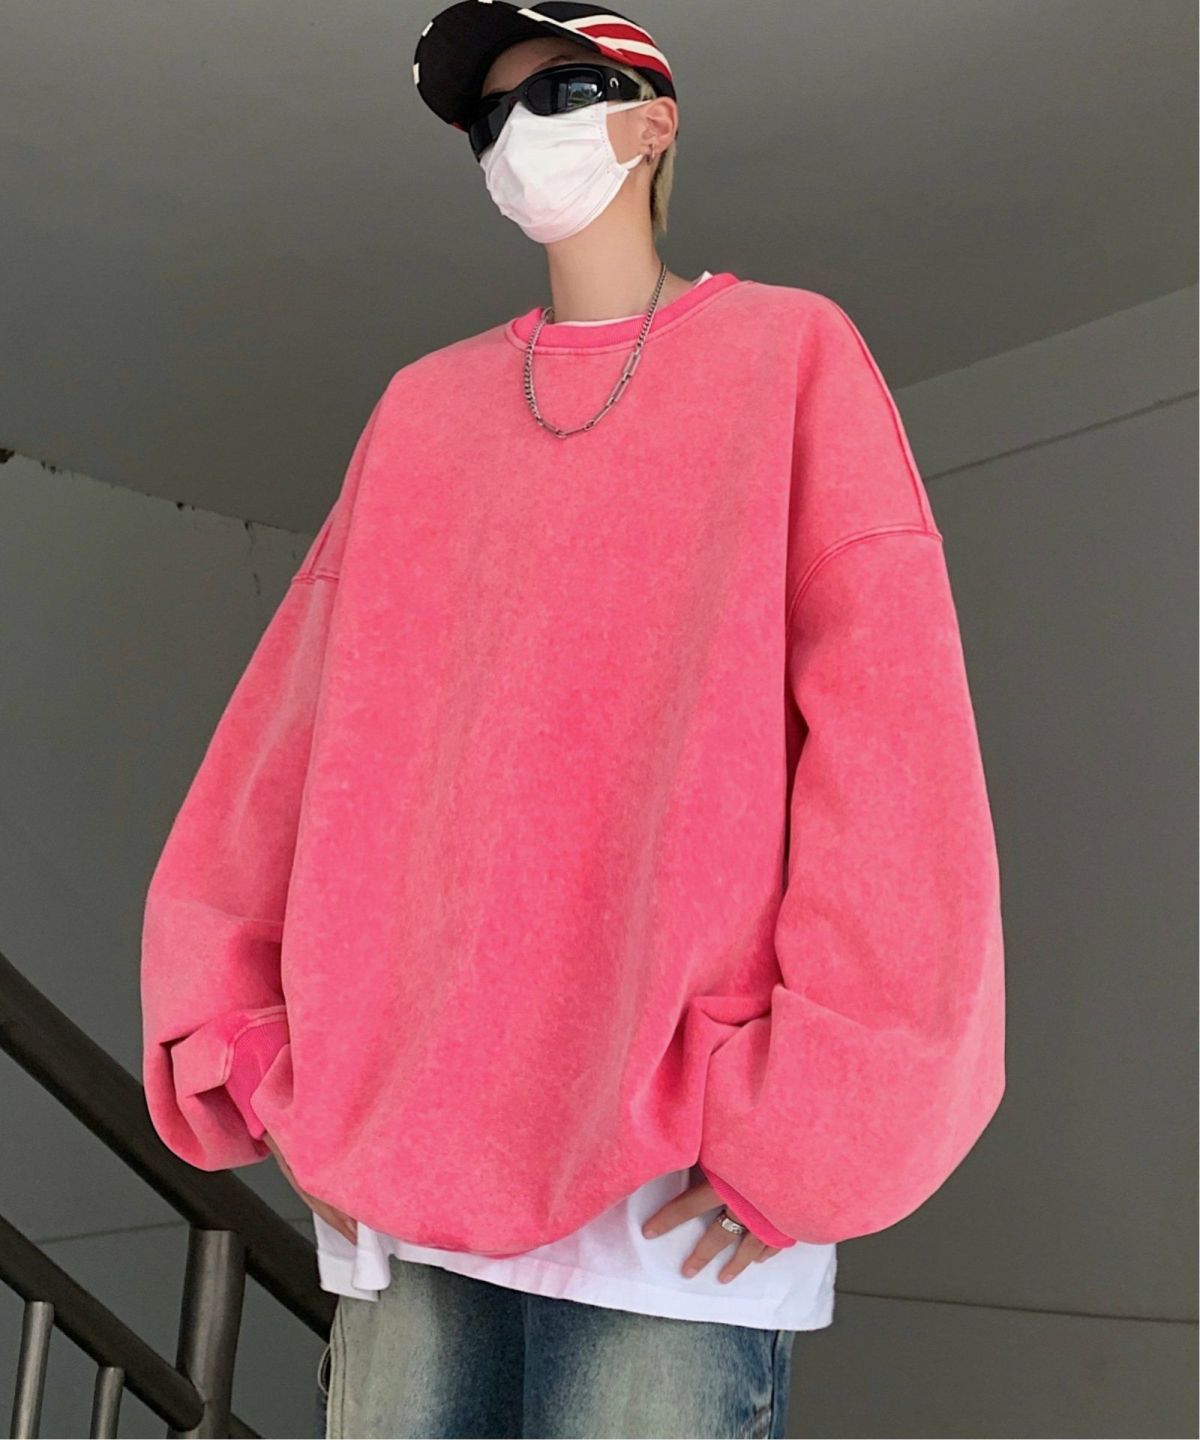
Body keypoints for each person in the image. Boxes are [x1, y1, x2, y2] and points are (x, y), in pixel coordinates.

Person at [139, 3, 1007, 1437]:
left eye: (557, 93)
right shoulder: (422, 412)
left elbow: (893, 758)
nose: (515, 136)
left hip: (669, 1186)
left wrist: (816, 1122)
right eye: (489, 116)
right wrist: (254, 1053)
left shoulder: (791, 357)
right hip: (403, 1166)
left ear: (654, 118)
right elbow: (282, 749)